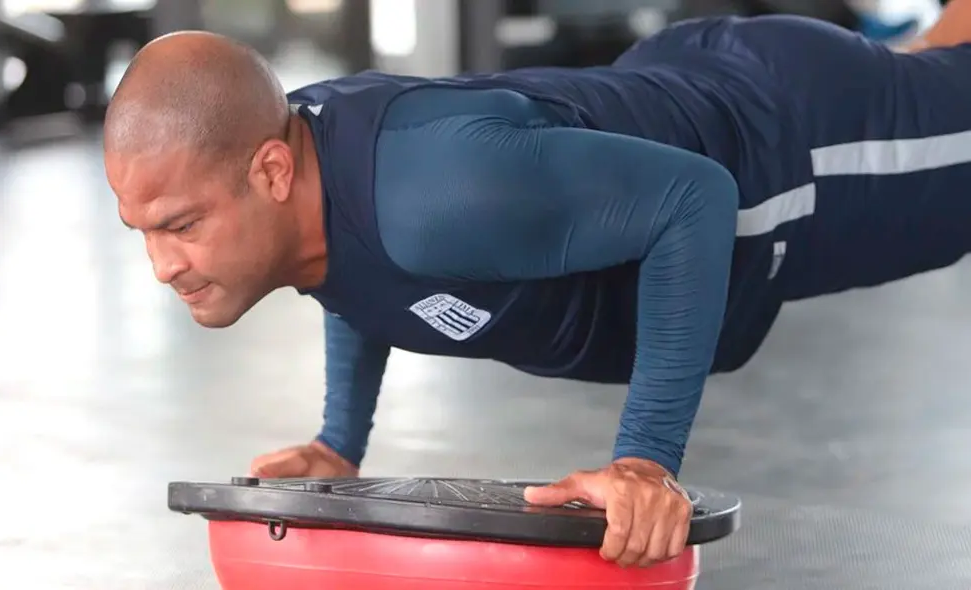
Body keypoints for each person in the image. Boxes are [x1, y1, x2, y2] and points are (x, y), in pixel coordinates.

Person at [103, 1, 971, 570]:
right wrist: (339, 442)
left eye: (182, 226)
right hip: (697, 82)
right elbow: (345, 268)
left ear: (270, 171)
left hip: (798, 146)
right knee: (946, 70)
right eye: (141, 231)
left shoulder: (434, 197)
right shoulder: (307, 181)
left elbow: (694, 199)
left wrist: (645, 463)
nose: (164, 266)